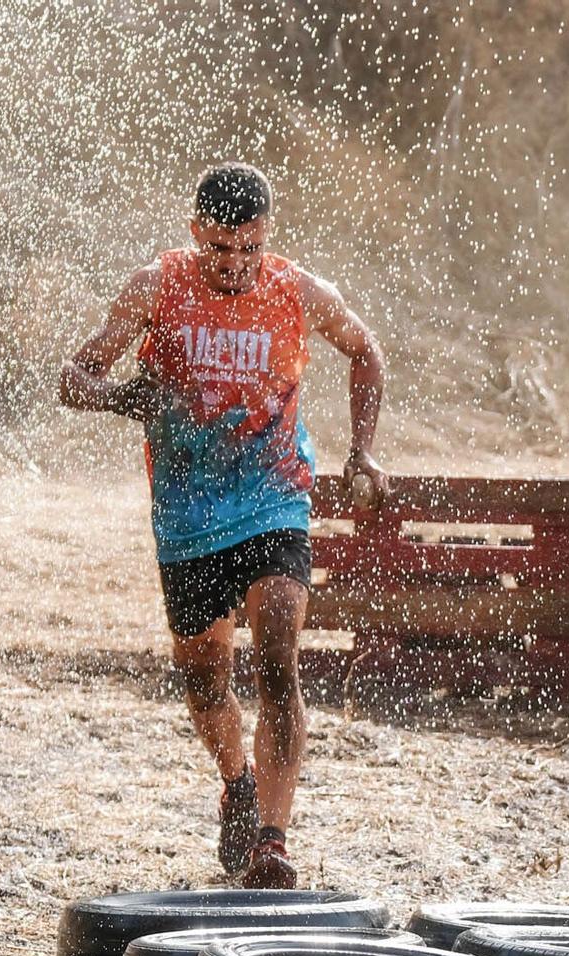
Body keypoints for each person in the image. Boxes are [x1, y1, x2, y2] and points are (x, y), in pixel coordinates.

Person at [60, 163, 390, 890]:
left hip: (275, 498)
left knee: (278, 657)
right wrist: (123, 399)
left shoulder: (296, 289)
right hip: (186, 513)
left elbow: (365, 350)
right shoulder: (157, 285)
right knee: (207, 679)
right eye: (219, 250)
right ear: (194, 234)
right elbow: (72, 377)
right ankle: (236, 780)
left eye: (248, 248)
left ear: (265, 237)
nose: (235, 265)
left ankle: (272, 840)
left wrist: (362, 448)